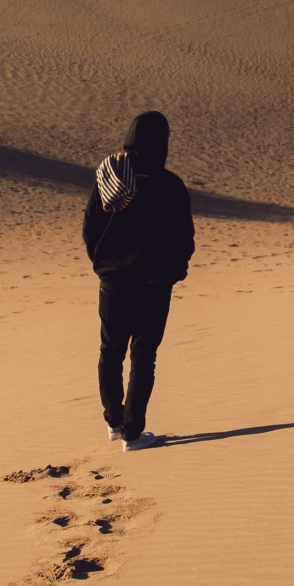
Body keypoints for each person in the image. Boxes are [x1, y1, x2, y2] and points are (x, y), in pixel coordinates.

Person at [83, 109, 194, 450]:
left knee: (111, 350)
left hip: (114, 281)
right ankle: (132, 433)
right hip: (154, 285)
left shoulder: (110, 175)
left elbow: (90, 230)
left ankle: (115, 423)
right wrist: (175, 273)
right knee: (144, 356)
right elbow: (184, 239)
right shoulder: (170, 184)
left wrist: (104, 265)